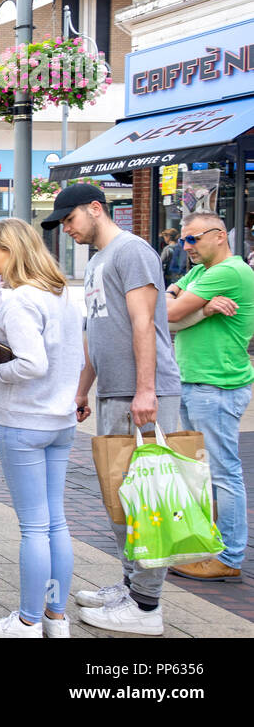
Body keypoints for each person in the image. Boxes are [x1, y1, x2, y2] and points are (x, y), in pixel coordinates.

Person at [44, 183, 182, 636]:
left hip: (141, 395)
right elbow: (96, 331)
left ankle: (146, 607)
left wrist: (146, 391)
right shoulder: (101, 259)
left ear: (96, 209)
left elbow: (144, 321)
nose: (67, 229)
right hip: (116, 393)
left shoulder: (133, 251)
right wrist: (84, 388)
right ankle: (131, 585)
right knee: (122, 498)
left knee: (148, 500)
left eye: (70, 220)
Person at [0, 218, 86, 638]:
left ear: (12, 251)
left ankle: (26, 620)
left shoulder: (21, 300)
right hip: (59, 421)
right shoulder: (61, 296)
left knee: (35, 527)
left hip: (24, 421)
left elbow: (31, 363)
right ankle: (56, 616)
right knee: (57, 522)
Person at [164, 212, 253, 583]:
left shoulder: (227, 273)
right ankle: (209, 547)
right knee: (203, 471)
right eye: (184, 240)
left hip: (215, 385)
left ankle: (229, 556)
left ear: (219, 236)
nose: (187, 246)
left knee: (222, 472)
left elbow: (166, 312)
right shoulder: (201, 273)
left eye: (193, 239)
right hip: (197, 381)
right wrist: (203, 308)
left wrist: (187, 307)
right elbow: (164, 304)